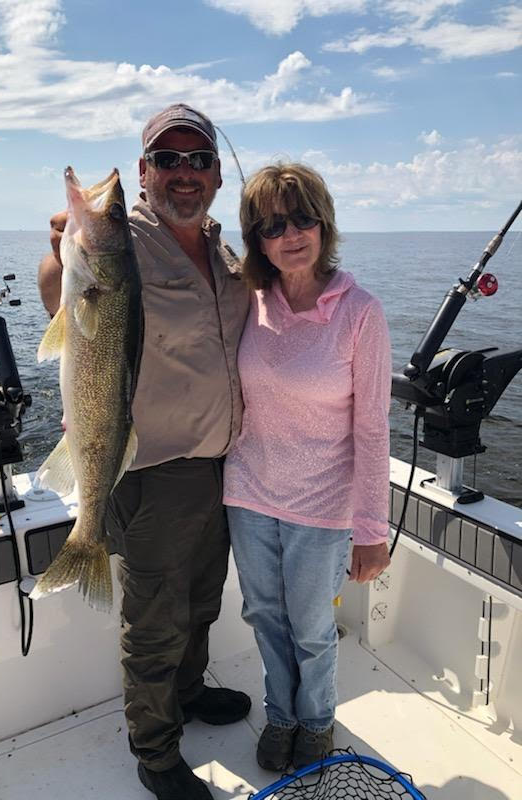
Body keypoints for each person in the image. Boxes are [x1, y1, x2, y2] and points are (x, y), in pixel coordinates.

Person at [38, 104, 251, 800]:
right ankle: (154, 751)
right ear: (144, 171)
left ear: (217, 174)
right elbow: (58, 291)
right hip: (153, 472)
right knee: (155, 620)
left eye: (197, 160)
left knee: (199, 603)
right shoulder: (120, 238)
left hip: (220, 467)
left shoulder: (223, 250)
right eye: (167, 160)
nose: (182, 174)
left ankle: (188, 695)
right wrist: (64, 247)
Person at [223, 163, 392, 772]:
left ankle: (317, 719)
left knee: (312, 627)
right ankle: (282, 714)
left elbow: (373, 428)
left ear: (324, 224)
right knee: (263, 615)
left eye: (301, 219)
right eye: (271, 225)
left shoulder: (360, 312)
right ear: (256, 239)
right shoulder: (248, 296)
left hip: (322, 504)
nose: (290, 234)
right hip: (247, 491)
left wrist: (372, 529)